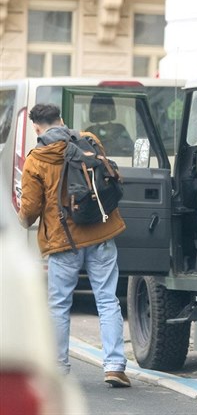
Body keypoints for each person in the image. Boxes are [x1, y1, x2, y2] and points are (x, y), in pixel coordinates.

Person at [17, 103, 131, 388]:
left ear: (36, 127)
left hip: (63, 239)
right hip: (101, 232)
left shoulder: (37, 158)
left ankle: (58, 368)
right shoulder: (89, 140)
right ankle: (115, 365)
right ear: (62, 120)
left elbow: (30, 211)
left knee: (58, 305)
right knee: (107, 300)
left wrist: (21, 217)